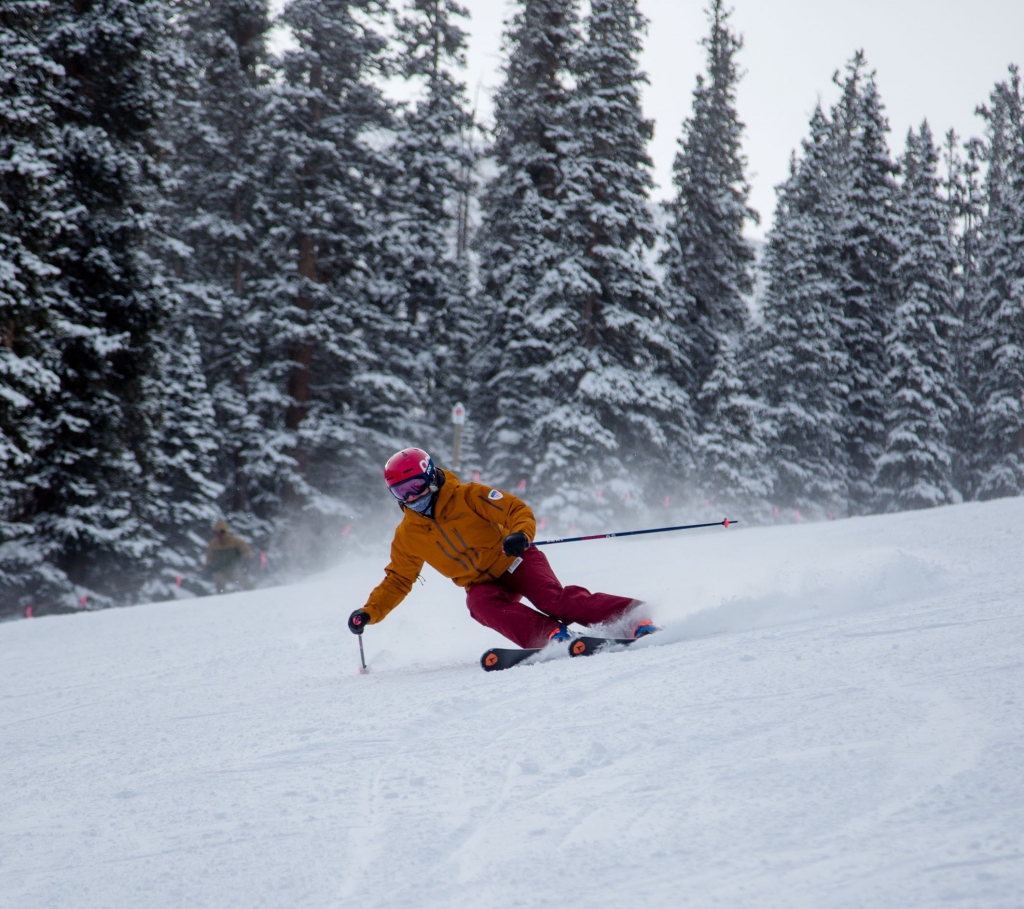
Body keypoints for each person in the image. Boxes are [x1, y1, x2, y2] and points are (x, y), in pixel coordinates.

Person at [349, 448, 653, 649]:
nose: (410, 497)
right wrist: (369, 612)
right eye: (400, 492)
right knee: (478, 605)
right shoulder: (408, 535)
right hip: (482, 583)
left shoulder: (468, 496)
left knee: (554, 600)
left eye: (414, 486)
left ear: (429, 477)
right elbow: (399, 579)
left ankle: (633, 616)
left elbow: (514, 509)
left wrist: (520, 534)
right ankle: (551, 636)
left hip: (515, 560)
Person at [205, 519, 255, 594]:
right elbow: (209, 556)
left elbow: (245, 550)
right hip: (220, 569)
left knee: (241, 579)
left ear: (224, 532)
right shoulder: (213, 544)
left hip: (233, 568)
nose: (217, 535)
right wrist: (208, 565)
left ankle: (253, 592)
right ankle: (222, 598)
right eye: (215, 533)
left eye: (219, 533)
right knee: (219, 582)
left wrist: (247, 558)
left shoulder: (235, 541)